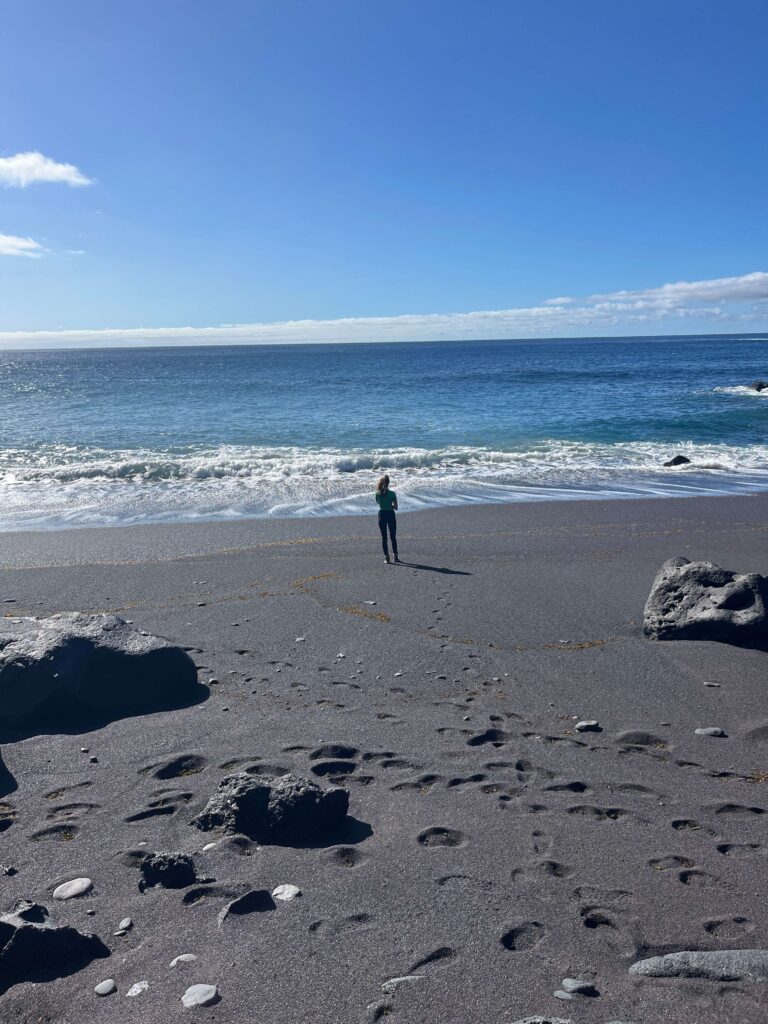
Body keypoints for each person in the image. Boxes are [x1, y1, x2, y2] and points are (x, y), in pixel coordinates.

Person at [375, 474, 399, 563]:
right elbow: (396, 507)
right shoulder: (392, 494)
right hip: (390, 515)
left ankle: (386, 557)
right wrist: (390, 505)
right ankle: (395, 556)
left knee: (384, 537)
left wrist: (385, 504)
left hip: (382, 515)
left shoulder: (377, 494)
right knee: (393, 537)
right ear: (388, 483)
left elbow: (379, 503)